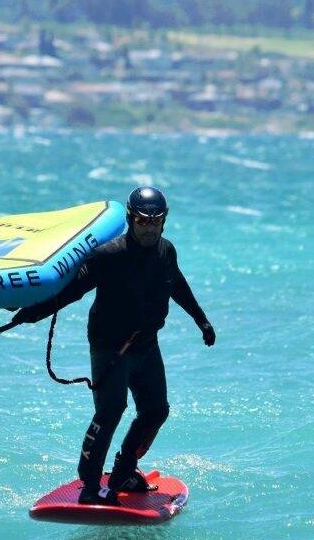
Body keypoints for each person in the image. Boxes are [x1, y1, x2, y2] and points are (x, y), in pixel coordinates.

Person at [13, 187, 215, 506]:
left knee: (155, 411)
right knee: (111, 410)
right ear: (130, 219)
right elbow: (73, 289)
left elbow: (177, 284)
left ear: (164, 222)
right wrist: (34, 312)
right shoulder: (110, 255)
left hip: (146, 345)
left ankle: (123, 472)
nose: (148, 228)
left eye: (155, 222)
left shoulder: (166, 252)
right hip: (110, 346)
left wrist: (201, 320)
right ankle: (90, 485)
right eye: (142, 221)